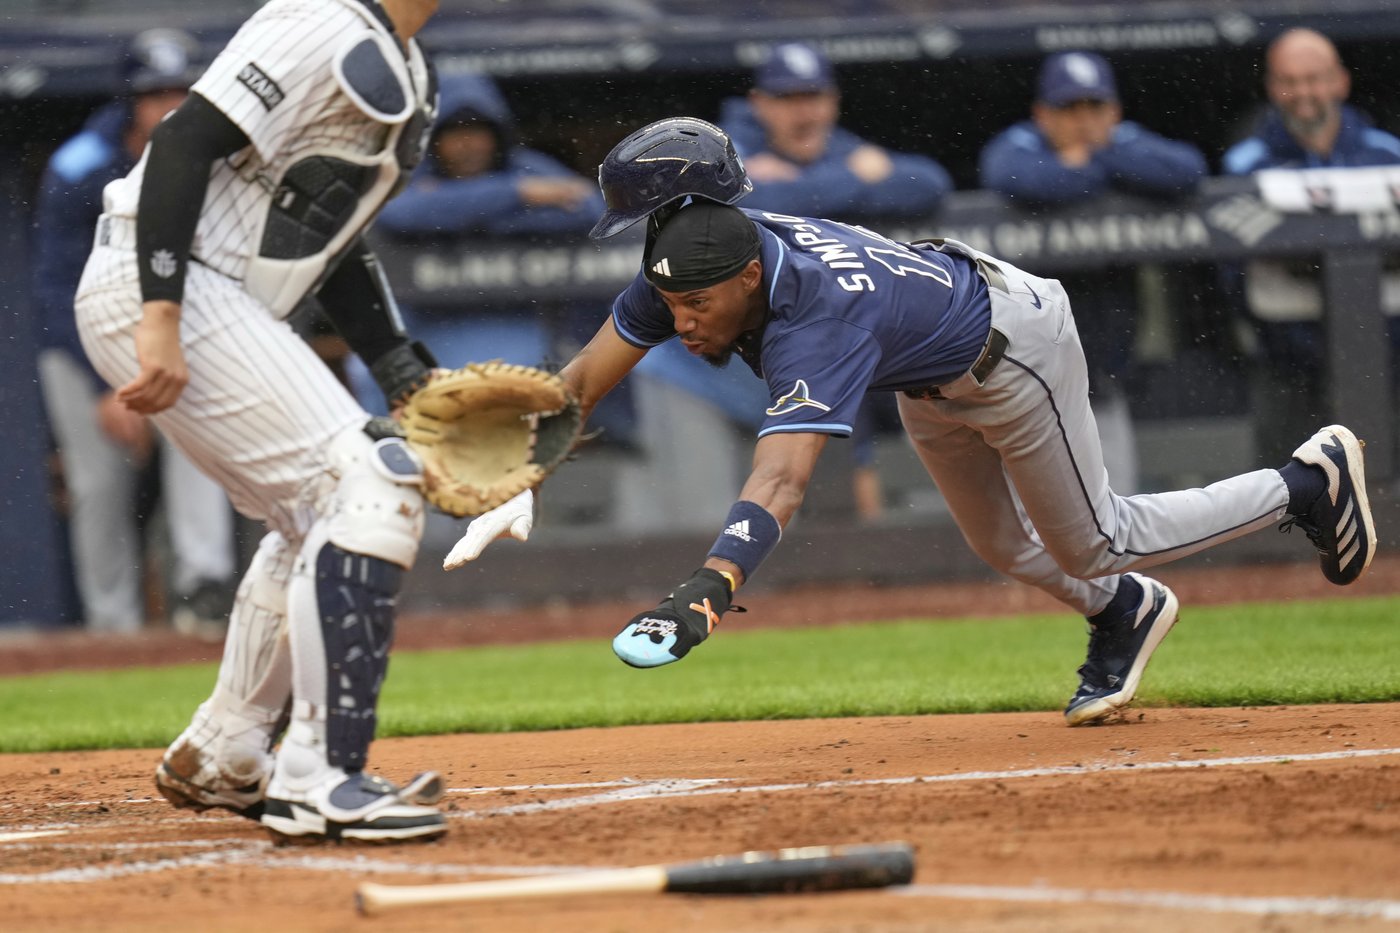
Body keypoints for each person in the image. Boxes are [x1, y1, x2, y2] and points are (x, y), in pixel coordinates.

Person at [450, 117, 1376, 730]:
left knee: (1095, 537)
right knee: (1007, 546)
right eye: (672, 303)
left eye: (695, 307)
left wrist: (708, 583)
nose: (681, 321)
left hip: (1012, 353)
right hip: (929, 373)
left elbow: (780, 481)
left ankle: (1304, 483)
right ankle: (1128, 611)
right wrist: (519, 470)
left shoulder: (813, 319)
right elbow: (578, 384)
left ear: (738, 280)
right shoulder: (697, 258)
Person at [73, 0, 448, 843]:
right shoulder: (320, 17)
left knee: (313, 514)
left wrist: (397, 367)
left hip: (222, 298)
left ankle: (227, 749)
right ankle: (321, 774)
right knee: (371, 479)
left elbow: (330, 234)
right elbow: (180, 141)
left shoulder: (409, 62)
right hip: (171, 282)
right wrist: (160, 312)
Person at [31, 28, 239, 638]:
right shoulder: (80, 166)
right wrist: (105, 386)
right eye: (155, 93)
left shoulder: (214, 158)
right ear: (129, 100)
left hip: (175, 329)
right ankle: (112, 626)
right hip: (83, 340)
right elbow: (54, 288)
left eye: (180, 90)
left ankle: (201, 592)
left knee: (200, 449)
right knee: (98, 482)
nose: (168, 105)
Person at [979, 51, 1208, 493]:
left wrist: (1091, 161)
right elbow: (1015, 177)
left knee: (1111, 498)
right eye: (1069, 109)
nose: (1083, 121)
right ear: (1042, 114)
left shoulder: (1122, 140)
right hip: (1025, 362)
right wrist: (1107, 169)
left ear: (1115, 112)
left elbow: (1187, 171)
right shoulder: (1021, 143)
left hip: (1102, 364)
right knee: (1027, 507)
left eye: (1094, 108)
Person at [372, 71, 635, 445]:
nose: (468, 144)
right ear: (436, 139)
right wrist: (518, 195)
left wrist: (457, 215)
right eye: (455, 133)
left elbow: (589, 208)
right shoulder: (420, 171)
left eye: (478, 131)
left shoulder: (524, 164)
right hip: (427, 332)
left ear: (497, 134)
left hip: (517, 324)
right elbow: (399, 214)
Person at [1222, 28, 1400, 462]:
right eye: (1290, 80)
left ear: (1340, 81)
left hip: (1386, 362)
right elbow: (1232, 276)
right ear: (1271, 88)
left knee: (1386, 495)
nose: (1303, 92)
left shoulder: (1387, 153)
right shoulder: (1245, 163)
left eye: (1315, 78)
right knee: (1287, 501)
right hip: (1288, 366)